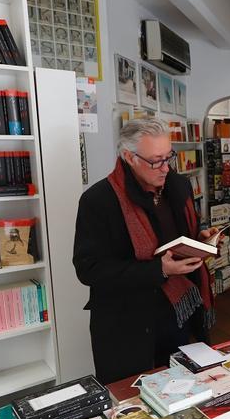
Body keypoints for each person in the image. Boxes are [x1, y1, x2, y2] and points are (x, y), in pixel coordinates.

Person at [73, 118, 221, 384]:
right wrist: (159, 269)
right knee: (135, 405)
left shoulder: (178, 186)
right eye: (156, 161)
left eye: (169, 157)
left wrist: (199, 240)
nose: (166, 168)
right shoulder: (99, 201)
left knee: (187, 393)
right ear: (129, 157)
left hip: (181, 314)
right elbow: (89, 269)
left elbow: (182, 233)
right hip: (129, 327)